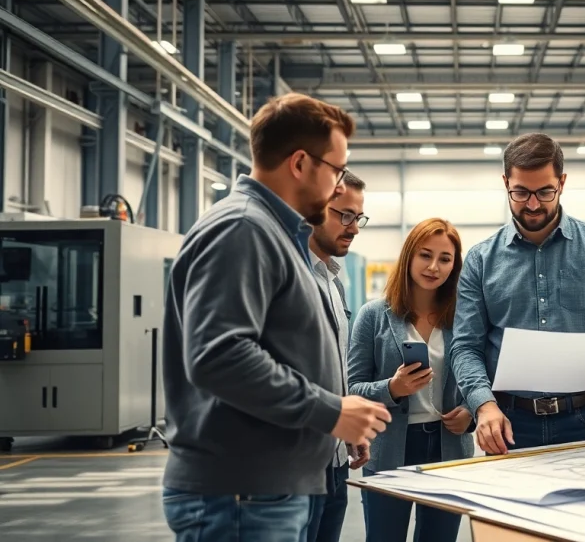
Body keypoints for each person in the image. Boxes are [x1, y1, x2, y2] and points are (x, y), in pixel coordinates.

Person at [161, 93, 392, 541]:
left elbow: (284, 350)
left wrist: (334, 429)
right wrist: (329, 411)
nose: (337, 185)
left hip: (263, 488)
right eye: (336, 171)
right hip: (240, 492)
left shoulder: (275, 234)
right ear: (301, 163)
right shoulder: (243, 229)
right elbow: (219, 356)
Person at [449, 132, 585, 455]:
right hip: (507, 425)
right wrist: (483, 406)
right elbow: (465, 346)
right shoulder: (480, 260)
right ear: (505, 182)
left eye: (545, 191)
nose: (533, 204)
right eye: (520, 192)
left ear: (561, 183)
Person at [348, 218, 476, 542]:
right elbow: (352, 388)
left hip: (448, 448)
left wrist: (470, 414)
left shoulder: (464, 318)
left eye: (445, 259)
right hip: (390, 447)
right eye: (425, 255)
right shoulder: (373, 315)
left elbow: (481, 376)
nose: (434, 266)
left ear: (454, 266)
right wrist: (392, 388)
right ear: (409, 257)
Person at [306, 171, 371, 542]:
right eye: (343, 215)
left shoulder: (333, 281)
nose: (354, 227)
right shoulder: (289, 275)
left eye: (357, 217)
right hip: (296, 462)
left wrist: (348, 424)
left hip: (333, 460)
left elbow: (334, 363)